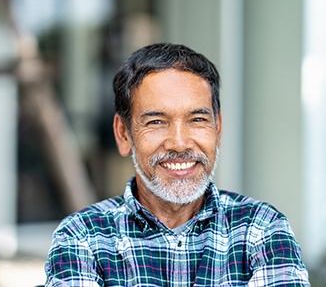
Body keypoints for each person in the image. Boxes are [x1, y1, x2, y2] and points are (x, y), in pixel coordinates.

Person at [44, 43, 310, 286]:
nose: (180, 144)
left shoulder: (261, 228)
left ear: (217, 130)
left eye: (197, 120)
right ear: (124, 135)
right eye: (156, 122)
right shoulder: (83, 237)